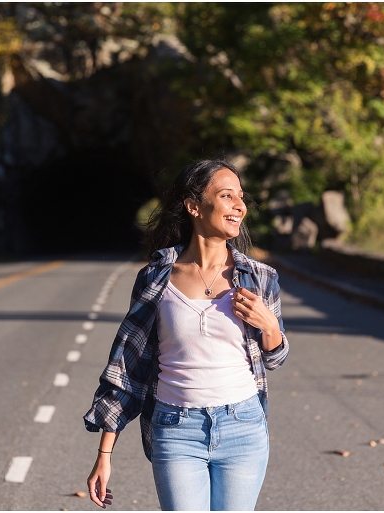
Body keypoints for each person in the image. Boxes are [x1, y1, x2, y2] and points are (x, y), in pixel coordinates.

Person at [83, 159, 290, 511]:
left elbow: (275, 357)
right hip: (176, 429)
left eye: (241, 196)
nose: (239, 205)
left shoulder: (259, 277)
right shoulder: (157, 278)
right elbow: (127, 368)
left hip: (243, 426)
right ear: (194, 206)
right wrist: (105, 454)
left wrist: (270, 326)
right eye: (227, 196)